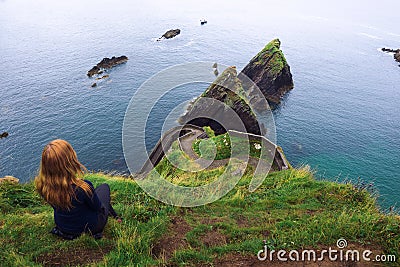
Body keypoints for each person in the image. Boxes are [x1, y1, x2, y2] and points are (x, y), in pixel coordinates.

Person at [35, 139, 120, 240]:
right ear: (69, 161)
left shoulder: (43, 186)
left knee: (93, 196)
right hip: (90, 227)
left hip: (63, 226)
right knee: (104, 188)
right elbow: (97, 208)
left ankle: (116, 217)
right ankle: (117, 218)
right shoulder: (82, 187)